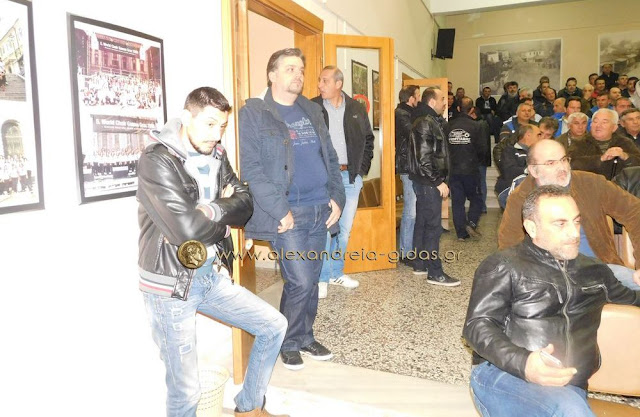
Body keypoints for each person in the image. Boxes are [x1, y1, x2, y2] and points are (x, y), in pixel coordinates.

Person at [137, 87, 288, 417]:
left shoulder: (217, 153)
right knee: (186, 389)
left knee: (273, 325)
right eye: (209, 124)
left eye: (222, 126)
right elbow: (186, 230)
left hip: (208, 277)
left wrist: (209, 210)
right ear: (186, 117)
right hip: (170, 286)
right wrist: (223, 219)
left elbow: (245, 203)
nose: (217, 134)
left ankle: (249, 408)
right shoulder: (157, 160)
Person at [465, 185, 640, 417]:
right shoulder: (504, 265)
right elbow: (477, 326)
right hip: (504, 375)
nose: (574, 233)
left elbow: (633, 299)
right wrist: (524, 363)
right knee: (571, 410)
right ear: (531, 227)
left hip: (569, 385)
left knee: (571, 407)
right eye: (560, 224)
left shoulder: (595, 271)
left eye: (576, 222)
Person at [238, 48, 345, 371]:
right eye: (289, 69)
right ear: (272, 75)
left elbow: (329, 156)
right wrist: (279, 209)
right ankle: (287, 341)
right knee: (299, 280)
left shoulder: (311, 109)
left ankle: (305, 336)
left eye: (300, 69)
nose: (297, 75)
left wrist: (337, 197)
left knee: (311, 279)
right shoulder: (254, 113)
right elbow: (251, 169)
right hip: (289, 214)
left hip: (320, 208)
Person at [499, 139, 640, 291]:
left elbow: (635, 211)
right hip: (548, 277)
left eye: (564, 159)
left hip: (601, 269)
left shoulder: (591, 183)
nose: (562, 167)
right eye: (551, 163)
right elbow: (509, 245)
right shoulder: (520, 198)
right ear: (533, 171)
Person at [312, 65, 374, 297]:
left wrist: (361, 170)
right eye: (320, 80)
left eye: (325, 80)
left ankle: (336, 272)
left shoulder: (356, 108)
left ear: (339, 84)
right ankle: (322, 278)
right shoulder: (312, 107)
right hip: (324, 178)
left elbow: (368, 140)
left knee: (344, 230)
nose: (320, 85)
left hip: (350, 176)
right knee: (326, 227)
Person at [407, 87, 461, 286]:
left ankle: (420, 264)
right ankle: (435, 272)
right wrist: (438, 181)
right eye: (442, 99)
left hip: (426, 182)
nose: (445, 103)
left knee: (423, 223)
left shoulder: (431, 121)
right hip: (428, 182)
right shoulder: (424, 122)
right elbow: (424, 158)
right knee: (432, 227)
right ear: (431, 102)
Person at [445, 96, 487, 240]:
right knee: (477, 198)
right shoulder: (477, 126)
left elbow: (444, 148)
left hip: (453, 170)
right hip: (471, 169)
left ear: (457, 108)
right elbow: (482, 149)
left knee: (457, 202)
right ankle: (472, 223)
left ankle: (461, 233)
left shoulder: (448, 126)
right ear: (472, 109)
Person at [569, 108, 640, 179]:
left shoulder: (624, 142)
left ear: (614, 127)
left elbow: (637, 163)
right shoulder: (579, 143)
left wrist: (625, 156)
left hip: (619, 184)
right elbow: (572, 164)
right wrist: (601, 159)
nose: (598, 125)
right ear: (591, 125)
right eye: (595, 121)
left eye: (604, 122)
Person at [395, 85, 420, 261]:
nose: (419, 99)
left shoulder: (409, 113)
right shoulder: (401, 114)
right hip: (407, 166)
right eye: (417, 96)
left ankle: (410, 248)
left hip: (413, 166)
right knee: (410, 211)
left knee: (414, 210)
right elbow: (413, 134)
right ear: (411, 98)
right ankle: (405, 252)